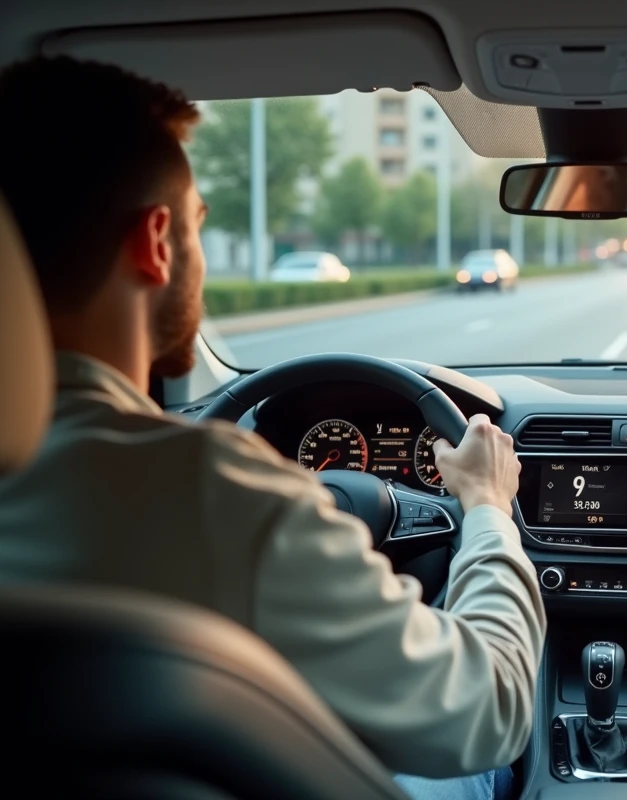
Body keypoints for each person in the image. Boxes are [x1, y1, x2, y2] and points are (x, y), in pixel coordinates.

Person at [0, 56, 544, 800]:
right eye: (196, 225)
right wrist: (485, 511)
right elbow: (492, 708)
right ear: (156, 242)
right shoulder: (216, 495)